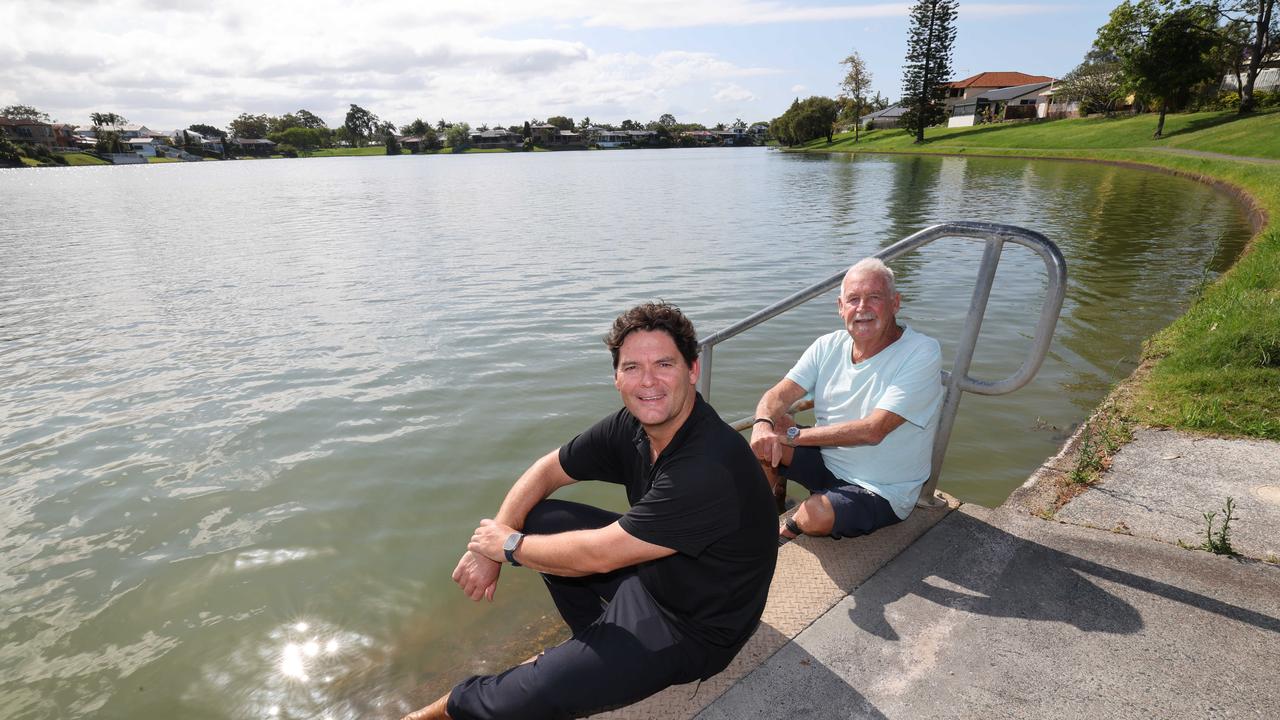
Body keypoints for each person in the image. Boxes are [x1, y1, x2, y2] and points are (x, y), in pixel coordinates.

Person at [402, 302, 777, 720]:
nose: (648, 380)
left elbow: (600, 555)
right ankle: (591, 643)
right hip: (655, 579)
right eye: (632, 367)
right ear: (616, 377)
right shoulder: (633, 426)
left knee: (528, 696)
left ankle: (427, 714)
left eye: (664, 364)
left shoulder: (708, 466)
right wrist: (499, 536)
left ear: (692, 370)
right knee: (539, 518)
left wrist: (507, 547)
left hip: (695, 628)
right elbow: (548, 469)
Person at [750, 257, 943, 543]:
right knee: (763, 446)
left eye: (874, 297)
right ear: (841, 308)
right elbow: (779, 395)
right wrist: (763, 424)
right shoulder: (828, 345)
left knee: (813, 516)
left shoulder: (921, 352)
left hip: (883, 488)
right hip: (828, 461)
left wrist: (793, 435)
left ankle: (794, 522)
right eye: (853, 299)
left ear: (895, 303)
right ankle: (755, 524)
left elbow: (873, 430)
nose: (862, 308)